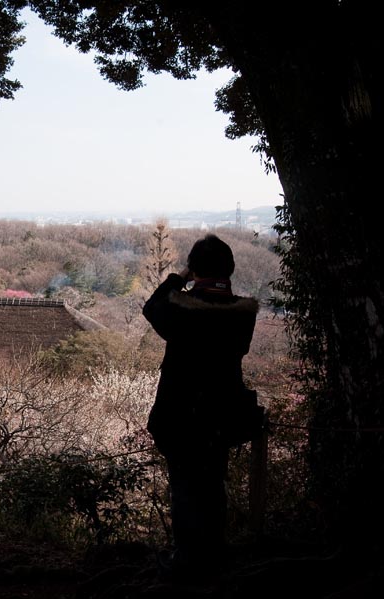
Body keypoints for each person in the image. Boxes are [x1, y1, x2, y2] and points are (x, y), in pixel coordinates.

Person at [143, 233, 259, 585]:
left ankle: (187, 562)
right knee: (212, 485)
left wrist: (180, 277)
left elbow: (152, 307)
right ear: (230, 270)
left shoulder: (182, 310)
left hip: (182, 415)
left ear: (195, 268)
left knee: (185, 487)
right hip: (222, 415)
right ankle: (212, 557)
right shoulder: (242, 315)